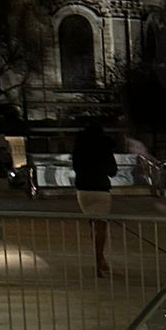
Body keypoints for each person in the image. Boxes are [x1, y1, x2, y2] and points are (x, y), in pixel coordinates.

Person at [72, 116, 119, 277]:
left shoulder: (79, 149)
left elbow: (76, 168)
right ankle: (99, 261)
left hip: (83, 190)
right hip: (100, 190)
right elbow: (112, 171)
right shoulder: (104, 148)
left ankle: (101, 258)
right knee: (101, 227)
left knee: (92, 224)